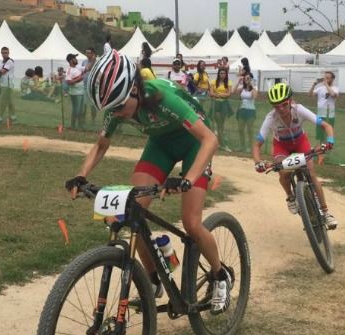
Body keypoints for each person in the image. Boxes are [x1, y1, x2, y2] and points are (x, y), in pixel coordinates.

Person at [67, 50, 234, 313]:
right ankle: (154, 279)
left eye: (120, 107)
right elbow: (101, 145)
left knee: (191, 223)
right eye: (111, 110)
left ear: (135, 89)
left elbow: (210, 140)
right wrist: (81, 176)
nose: (117, 114)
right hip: (160, 144)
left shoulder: (163, 97)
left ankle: (220, 274)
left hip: (194, 143)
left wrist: (187, 180)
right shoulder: (117, 106)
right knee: (130, 211)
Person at [252, 83, 338, 229]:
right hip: (282, 146)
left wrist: (329, 141)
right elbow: (257, 144)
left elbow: (326, 126)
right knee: (283, 172)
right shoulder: (271, 118)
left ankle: (325, 212)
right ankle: (290, 197)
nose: (280, 109)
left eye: (284, 105)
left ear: (290, 101)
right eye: (276, 106)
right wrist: (258, 162)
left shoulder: (299, 110)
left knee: (311, 174)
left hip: (300, 142)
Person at [309, 71, 339, 144]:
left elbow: (333, 94)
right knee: (321, 134)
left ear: (332, 79)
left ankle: (327, 147)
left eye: (328, 78)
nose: (325, 79)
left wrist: (326, 84)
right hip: (320, 114)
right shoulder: (320, 88)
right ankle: (322, 149)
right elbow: (310, 95)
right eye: (325, 77)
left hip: (329, 114)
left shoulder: (335, 88)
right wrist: (313, 85)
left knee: (328, 132)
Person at [209, 67, 233, 151]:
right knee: (219, 125)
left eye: (224, 73)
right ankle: (223, 145)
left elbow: (229, 93)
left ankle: (219, 143)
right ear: (218, 74)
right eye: (221, 73)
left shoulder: (228, 82)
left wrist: (218, 94)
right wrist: (223, 95)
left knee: (221, 125)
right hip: (216, 104)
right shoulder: (213, 82)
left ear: (226, 74)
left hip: (224, 105)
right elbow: (211, 93)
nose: (222, 75)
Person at [234, 73, 257, 151]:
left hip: (251, 110)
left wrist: (251, 85)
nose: (247, 80)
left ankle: (251, 147)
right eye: (246, 78)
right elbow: (234, 92)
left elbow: (254, 96)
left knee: (250, 129)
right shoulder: (242, 88)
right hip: (242, 110)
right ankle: (242, 146)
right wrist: (238, 82)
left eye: (249, 78)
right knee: (241, 129)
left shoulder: (254, 88)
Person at [0, 46, 16, 123]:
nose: (4, 54)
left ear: (8, 53)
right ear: (1, 53)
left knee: (3, 101)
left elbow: (2, 72)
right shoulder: (3, 62)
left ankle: (0, 117)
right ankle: (13, 117)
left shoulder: (10, 61)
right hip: (4, 83)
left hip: (7, 84)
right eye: (3, 53)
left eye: (6, 53)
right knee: (10, 102)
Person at [65, 53, 85, 129]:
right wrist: (78, 79)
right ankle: (73, 126)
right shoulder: (69, 70)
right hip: (75, 93)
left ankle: (79, 126)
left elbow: (87, 68)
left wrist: (93, 58)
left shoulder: (78, 67)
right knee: (76, 110)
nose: (76, 59)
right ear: (71, 60)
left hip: (81, 92)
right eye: (74, 58)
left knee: (80, 110)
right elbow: (68, 82)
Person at [82, 48, 98, 125]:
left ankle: (93, 121)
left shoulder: (97, 62)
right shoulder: (84, 62)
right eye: (86, 53)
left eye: (89, 53)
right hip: (85, 86)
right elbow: (82, 71)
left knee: (93, 105)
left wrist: (93, 60)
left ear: (93, 54)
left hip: (93, 87)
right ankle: (83, 120)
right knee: (84, 104)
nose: (87, 54)